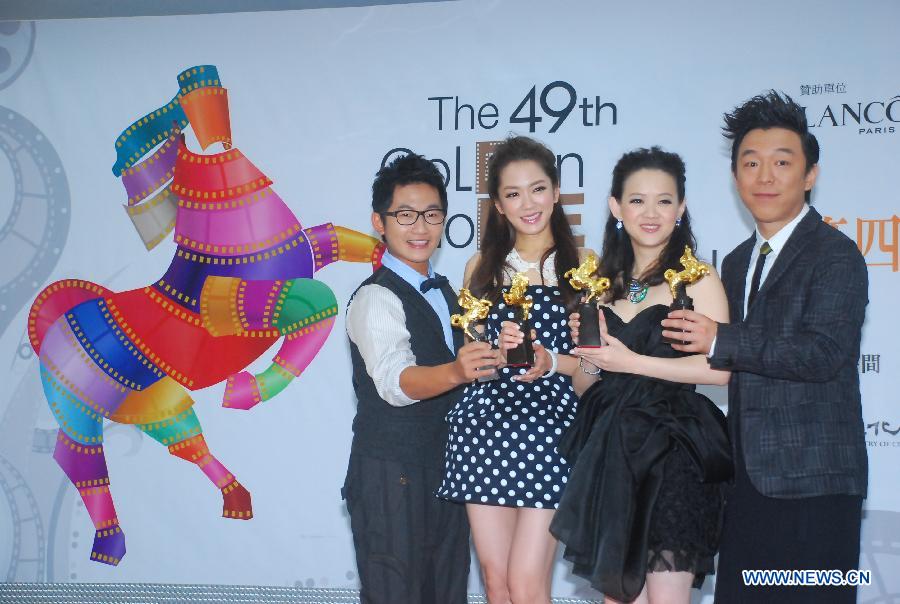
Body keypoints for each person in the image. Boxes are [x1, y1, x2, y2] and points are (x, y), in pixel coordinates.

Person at [661, 91, 868, 603]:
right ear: (736, 177)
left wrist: (719, 338)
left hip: (816, 485)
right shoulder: (733, 263)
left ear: (810, 174)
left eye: (782, 162)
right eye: (751, 163)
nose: (765, 176)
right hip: (746, 483)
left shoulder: (836, 255)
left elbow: (822, 354)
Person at [551, 146, 733, 603]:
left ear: (681, 208)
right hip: (614, 455)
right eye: (637, 200)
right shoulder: (604, 285)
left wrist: (630, 361)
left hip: (673, 452)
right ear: (616, 207)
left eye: (664, 200)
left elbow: (719, 372)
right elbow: (586, 385)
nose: (650, 213)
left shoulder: (696, 280)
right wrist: (590, 354)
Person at [437, 135, 591, 604]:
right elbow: (472, 356)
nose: (528, 203)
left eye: (538, 188)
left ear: (557, 190)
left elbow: (595, 366)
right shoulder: (480, 267)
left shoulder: (584, 267)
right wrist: (493, 352)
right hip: (485, 427)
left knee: (526, 582)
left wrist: (550, 362)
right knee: (496, 578)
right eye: (513, 193)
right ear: (498, 205)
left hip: (552, 430)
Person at [342, 152, 501, 604]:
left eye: (432, 215)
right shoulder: (375, 297)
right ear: (380, 221)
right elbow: (395, 383)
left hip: (448, 467)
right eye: (405, 215)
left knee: (447, 591)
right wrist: (457, 370)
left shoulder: (449, 290)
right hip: (392, 471)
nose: (420, 227)